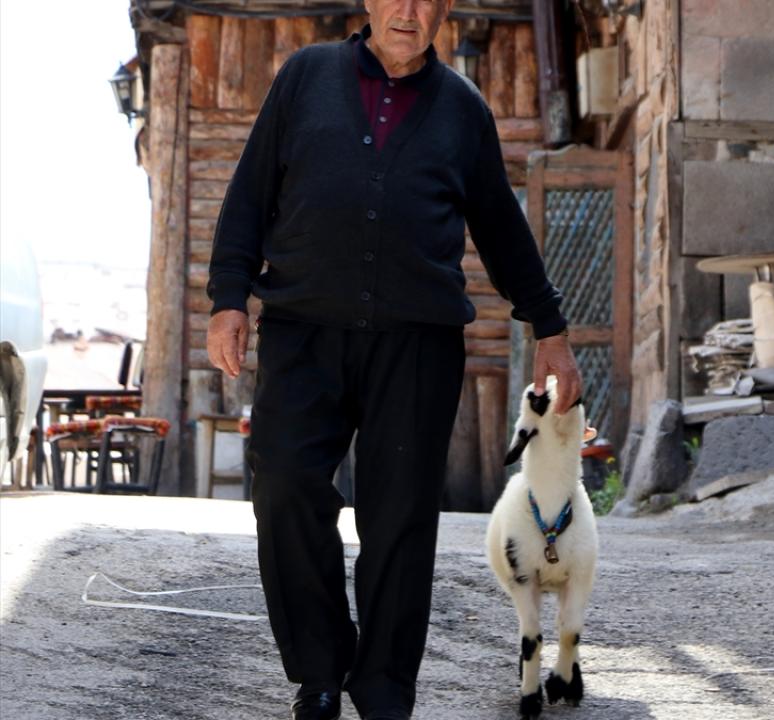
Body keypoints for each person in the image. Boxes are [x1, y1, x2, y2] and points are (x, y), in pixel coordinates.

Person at [204, 1, 581, 718]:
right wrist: (229, 297)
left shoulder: (462, 109)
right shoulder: (306, 76)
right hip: (302, 331)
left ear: (443, 9)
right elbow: (249, 194)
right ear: (369, 2)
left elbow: (500, 226)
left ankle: (382, 690)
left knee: (400, 518)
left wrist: (550, 328)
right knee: (283, 485)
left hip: (417, 341)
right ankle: (319, 670)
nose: (408, 11)